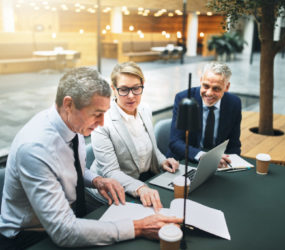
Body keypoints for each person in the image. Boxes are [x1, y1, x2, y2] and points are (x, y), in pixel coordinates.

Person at [0, 67, 182, 249]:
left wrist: (96, 180)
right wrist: (138, 227)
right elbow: (64, 232)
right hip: (30, 237)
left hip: (70, 218)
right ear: (69, 105)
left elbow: (68, 168)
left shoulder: (72, 123)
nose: (102, 123)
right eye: (97, 114)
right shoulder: (35, 148)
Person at [88, 62, 179, 212]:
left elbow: (151, 148)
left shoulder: (145, 109)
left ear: (143, 85)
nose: (131, 96)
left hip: (144, 178)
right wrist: (141, 188)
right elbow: (110, 172)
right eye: (124, 89)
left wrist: (163, 161)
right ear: (113, 89)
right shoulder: (102, 122)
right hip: (113, 187)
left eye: (136, 88)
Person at [167, 62, 241, 167]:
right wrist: (204, 157)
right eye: (205, 86)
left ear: (226, 87)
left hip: (217, 164)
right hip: (185, 161)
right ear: (201, 80)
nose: (209, 93)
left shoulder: (234, 103)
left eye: (216, 88)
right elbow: (175, 142)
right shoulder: (183, 98)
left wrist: (231, 164)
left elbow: (234, 145)